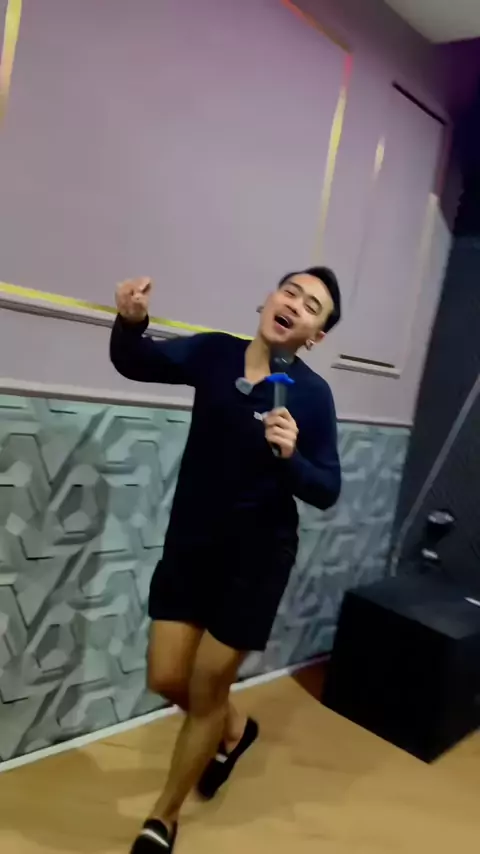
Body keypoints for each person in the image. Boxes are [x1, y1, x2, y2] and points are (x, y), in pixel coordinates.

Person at [110, 267, 342, 853]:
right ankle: (234, 726)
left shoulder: (312, 396)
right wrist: (131, 322)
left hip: (257, 561)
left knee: (208, 685)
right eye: (291, 291)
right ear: (270, 298)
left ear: (315, 335)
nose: (295, 304)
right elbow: (136, 362)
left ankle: (162, 819)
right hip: (192, 545)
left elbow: (326, 488)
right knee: (167, 677)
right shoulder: (215, 354)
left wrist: (292, 457)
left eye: (311, 306)